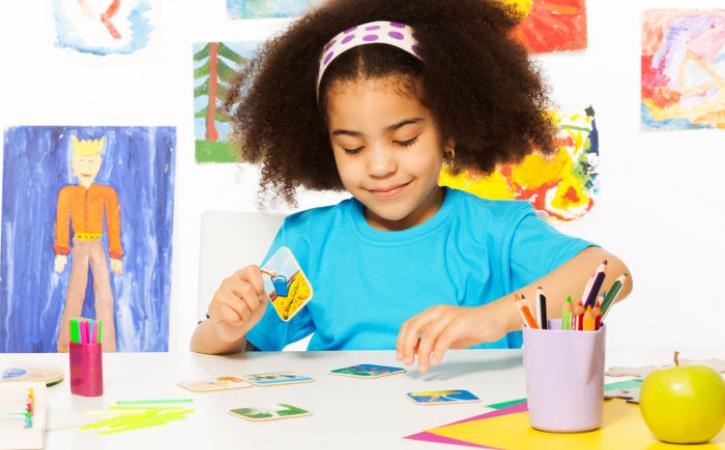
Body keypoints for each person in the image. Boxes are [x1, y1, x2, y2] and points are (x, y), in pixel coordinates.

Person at [191, 0, 633, 373]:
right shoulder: (307, 243)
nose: (381, 166)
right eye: (352, 148)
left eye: (405, 139)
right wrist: (225, 329)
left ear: (450, 130)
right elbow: (231, 350)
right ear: (326, 145)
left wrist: (493, 320)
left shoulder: (495, 229)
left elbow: (609, 273)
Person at [55, 135, 122, 352]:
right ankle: (65, 347)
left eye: (92, 161)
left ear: (100, 164)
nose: (86, 167)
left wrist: (115, 255)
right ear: (73, 164)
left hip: (97, 245)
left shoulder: (107, 193)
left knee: (104, 293)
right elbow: (62, 222)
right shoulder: (67, 193)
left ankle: (108, 348)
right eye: (82, 161)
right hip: (78, 246)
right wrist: (62, 252)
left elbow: (113, 222)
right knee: (75, 293)